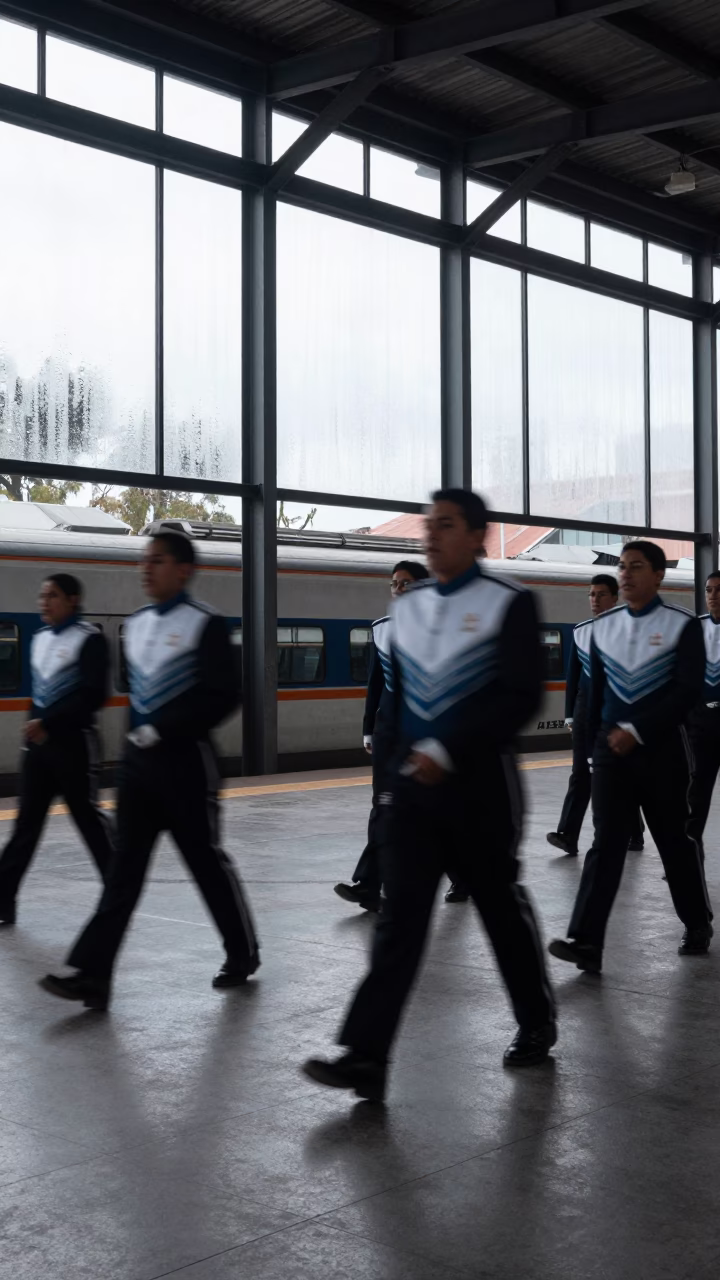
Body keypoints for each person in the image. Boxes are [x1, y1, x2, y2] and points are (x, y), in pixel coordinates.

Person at [303, 489, 556, 1102]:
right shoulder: (407, 615)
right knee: (400, 924)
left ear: (478, 535)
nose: (431, 535)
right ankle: (364, 1054)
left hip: (481, 792)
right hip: (413, 800)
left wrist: (447, 749)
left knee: (500, 910)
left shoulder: (509, 604)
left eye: (445, 526)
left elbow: (520, 696)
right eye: (428, 525)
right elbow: (395, 708)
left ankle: (535, 1022)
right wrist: (390, 786)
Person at [39, 530, 259, 1010]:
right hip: (140, 772)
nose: (145, 568)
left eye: (156, 561)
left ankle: (241, 953)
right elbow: (138, 700)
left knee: (205, 864)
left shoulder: (206, 625)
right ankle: (92, 975)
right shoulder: (134, 627)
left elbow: (224, 695)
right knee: (122, 875)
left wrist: (167, 730)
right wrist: (134, 751)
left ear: (183, 570)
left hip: (186, 767)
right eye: (144, 561)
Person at [549, 541, 713, 975]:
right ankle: (586, 941)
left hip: (662, 757)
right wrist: (592, 752)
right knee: (605, 847)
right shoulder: (604, 629)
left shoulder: (681, 626)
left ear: (658, 576)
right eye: (622, 567)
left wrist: (636, 730)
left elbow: (687, 691)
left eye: (636, 567)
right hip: (611, 759)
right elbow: (595, 698)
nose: (625, 574)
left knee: (674, 843)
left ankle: (697, 923)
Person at [0, 574, 112, 925]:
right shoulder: (40, 639)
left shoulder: (90, 640)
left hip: (75, 747)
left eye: (52, 596)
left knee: (90, 824)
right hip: (40, 751)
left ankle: (118, 892)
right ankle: (3, 902)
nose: (44, 602)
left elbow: (94, 695)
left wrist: (48, 723)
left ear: (73, 599)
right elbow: (41, 695)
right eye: (42, 595)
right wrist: (34, 729)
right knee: (24, 829)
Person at [334, 561, 430, 913]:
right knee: (384, 807)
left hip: (425, 735)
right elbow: (375, 684)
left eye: (407, 584)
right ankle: (369, 884)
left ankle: (464, 874)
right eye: (395, 584)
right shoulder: (382, 630)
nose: (399, 590)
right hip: (389, 733)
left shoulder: (438, 629)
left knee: (430, 814)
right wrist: (368, 729)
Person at [547, 574, 644, 858]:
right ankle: (567, 835)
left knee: (621, 776)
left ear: (615, 598)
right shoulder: (581, 631)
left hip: (616, 713)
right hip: (584, 714)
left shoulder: (630, 632)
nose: (595, 599)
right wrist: (569, 716)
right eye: (591, 594)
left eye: (601, 594)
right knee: (580, 774)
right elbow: (572, 677)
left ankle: (634, 833)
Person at [686, 571, 720, 859]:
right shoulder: (694, 629)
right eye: (709, 590)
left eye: (719, 590)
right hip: (701, 726)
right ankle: (689, 851)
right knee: (696, 793)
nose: (713, 596)